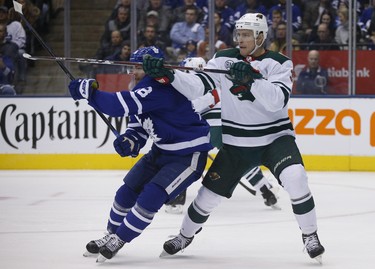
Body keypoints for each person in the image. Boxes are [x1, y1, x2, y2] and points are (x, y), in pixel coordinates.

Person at [143, 12, 325, 263]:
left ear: (261, 36)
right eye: (239, 33)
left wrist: (251, 80)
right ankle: (184, 236)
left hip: (275, 139)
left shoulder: (279, 63)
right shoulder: (223, 58)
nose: (241, 39)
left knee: (296, 178)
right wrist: (169, 76)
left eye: (247, 34)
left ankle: (310, 235)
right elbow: (197, 85)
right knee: (207, 197)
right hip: (236, 145)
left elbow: (277, 102)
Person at [68, 46, 212, 262]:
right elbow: (139, 128)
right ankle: (111, 234)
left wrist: (90, 92)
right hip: (161, 152)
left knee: (150, 197)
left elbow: (118, 106)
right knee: (126, 192)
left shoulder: (158, 87)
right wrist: (130, 141)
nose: (132, 72)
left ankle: (120, 239)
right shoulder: (140, 87)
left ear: (151, 67)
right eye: (131, 67)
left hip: (187, 156)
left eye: (137, 67)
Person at [165, 57, 279, 214]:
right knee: (240, 160)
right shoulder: (215, 83)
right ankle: (266, 191)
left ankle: (177, 200)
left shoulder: (195, 87)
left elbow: (191, 110)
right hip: (229, 125)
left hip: (212, 127)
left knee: (184, 157)